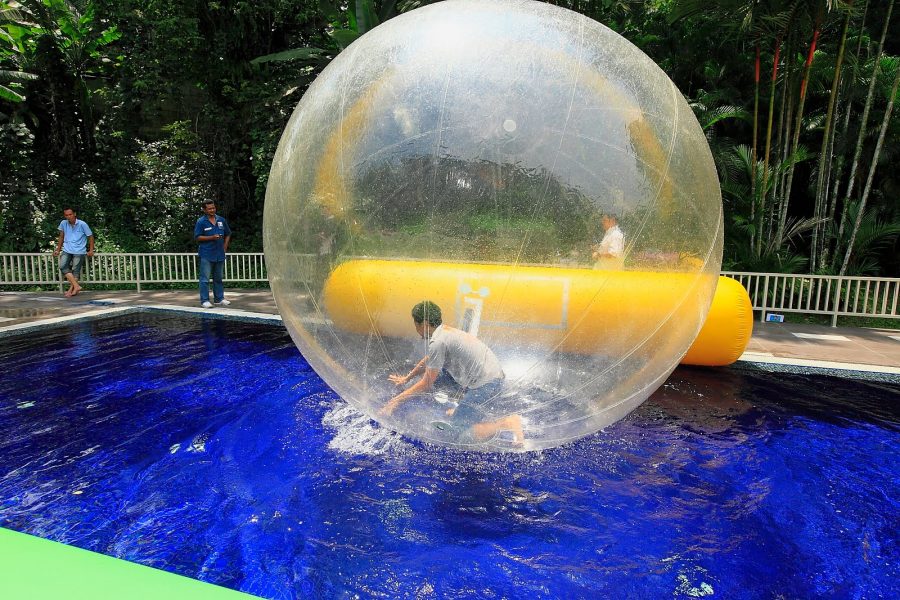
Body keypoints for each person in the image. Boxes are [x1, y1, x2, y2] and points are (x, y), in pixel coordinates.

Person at [381, 300, 525, 446]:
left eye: (416, 325)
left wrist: (395, 401)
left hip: (488, 384)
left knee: (459, 435)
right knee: (434, 379)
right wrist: (407, 378)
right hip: (482, 375)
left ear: (424, 324)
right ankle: (463, 410)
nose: (416, 329)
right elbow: (430, 360)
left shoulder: (439, 341)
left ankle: (507, 423)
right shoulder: (444, 332)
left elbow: (426, 383)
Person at [194, 200, 232, 308]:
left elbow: (228, 233)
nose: (212, 210)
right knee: (205, 279)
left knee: (218, 278)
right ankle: (204, 300)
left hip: (219, 254)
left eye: (213, 208)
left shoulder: (221, 220)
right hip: (206, 254)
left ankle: (219, 299)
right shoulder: (201, 222)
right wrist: (211, 237)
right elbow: (197, 237)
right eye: (209, 208)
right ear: (204, 210)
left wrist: (225, 246)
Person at [53, 207, 94, 297]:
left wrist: (91, 250)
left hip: (79, 251)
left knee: (75, 271)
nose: (68, 216)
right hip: (67, 249)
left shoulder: (82, 224)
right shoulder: (63, 223)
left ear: (74, 214)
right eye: (66, 215)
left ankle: (72, 290)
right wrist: (58, 250)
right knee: (62, 266)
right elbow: (61, 237)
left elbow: (90, 236)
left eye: (70, 214)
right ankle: (76, 286)